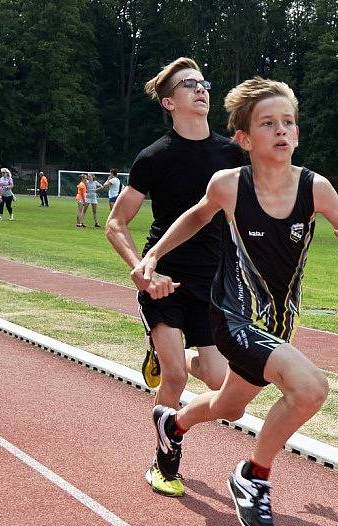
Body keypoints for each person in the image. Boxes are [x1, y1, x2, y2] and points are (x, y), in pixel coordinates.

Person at [134, 77, 338, 526]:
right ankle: (254, 475)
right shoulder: (229, 185)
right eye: (268, 123)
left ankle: (173, 423)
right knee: (309, 389)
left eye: (288, 122)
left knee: (230, 405)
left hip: (278, 326)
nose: (282, 130)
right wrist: (152, 257)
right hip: (231, 318)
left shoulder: (316, 188)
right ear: (244, 139)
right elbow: (194, 215)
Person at [105, 57, 244, 498]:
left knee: (221, 382)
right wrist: (140, 269)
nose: (200, 90)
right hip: (164, 278)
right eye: (188, 85)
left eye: (203, 82)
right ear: (170, 102)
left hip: (214, 282)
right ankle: (164, 463)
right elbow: (115, 223)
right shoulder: (154, 157)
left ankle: (170, 356)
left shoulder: (231, 154)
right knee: (176, 381)